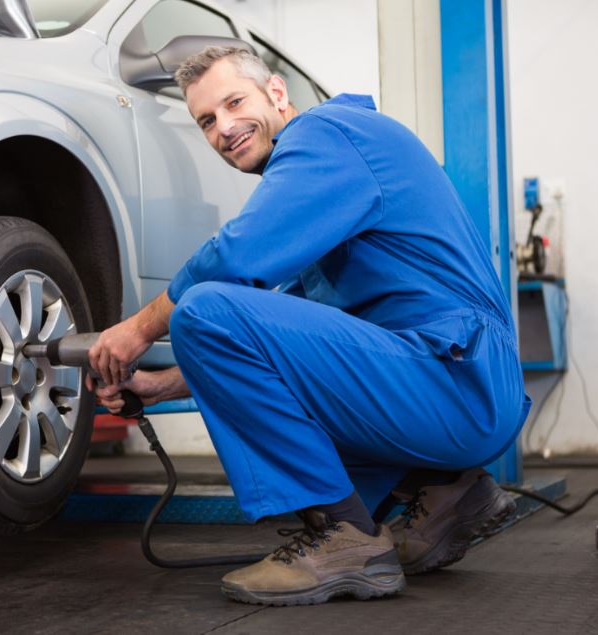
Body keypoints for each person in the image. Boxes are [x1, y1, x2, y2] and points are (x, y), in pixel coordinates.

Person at [87, 46, 531, 607]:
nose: (224, 128)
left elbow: (236, 255)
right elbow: (272, 347)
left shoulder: (327, 134)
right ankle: (447, 490)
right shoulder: (329, 198)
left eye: (234, 102)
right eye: (207, 120)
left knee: (204, 308)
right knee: (221, 325)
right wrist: (158, 385)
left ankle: (343, 537)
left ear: (276, 93)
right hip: (455, 384)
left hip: (455, 377)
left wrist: (139, 328)